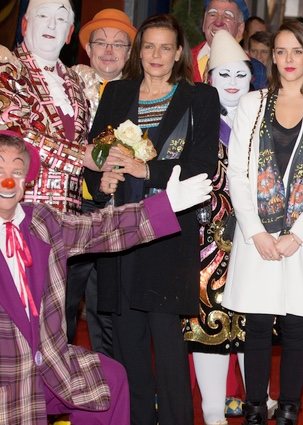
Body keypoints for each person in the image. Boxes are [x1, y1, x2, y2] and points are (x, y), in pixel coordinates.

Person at [0, 130, 212, 424]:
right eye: (0, 170)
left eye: (17, 171)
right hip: (8, 375)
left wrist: (166, 205)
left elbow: (101, 228)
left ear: (26, 182)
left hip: (50, 361)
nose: (8, 180)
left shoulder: (40, 221)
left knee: (110, 380)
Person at [83, 13, 220, 425]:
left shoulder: (200, 98)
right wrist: (101, 178)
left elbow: (202, 167)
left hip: (167, 234)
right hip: (120, 232)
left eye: (165, 46)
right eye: (148, 46)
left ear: (179, 52)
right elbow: (95, 154)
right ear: (138, 52)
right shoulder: (117, 92)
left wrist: (149, 171)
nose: (156, 55)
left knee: (169, 349)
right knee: (128, 349)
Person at [222, 20, 303, 425]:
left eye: (296, 51)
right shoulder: (252, 104)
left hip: (302, 237)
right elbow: (236, 173)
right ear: (271, 58)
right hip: (256, 233)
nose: (288, 60)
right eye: (280, 52)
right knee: (256, 324)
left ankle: (289, 408)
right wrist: (256, 230)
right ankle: (256, 408)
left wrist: (298, 234)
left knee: (296, 327)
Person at [179, 29, 252, 425]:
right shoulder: (192, 119)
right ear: (207, 79)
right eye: (223, 75)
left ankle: (259, 395)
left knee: (253, 319)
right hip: (207, 240)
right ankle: (212, 408)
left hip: (256, 239)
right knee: (210, 322)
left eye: (241, 75)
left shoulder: (263, 120)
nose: (233, 84)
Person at [65, 7, 137, 358]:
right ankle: (59, 387)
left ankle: (109, 390)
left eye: (118, 44)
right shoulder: (67, 87)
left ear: (128, 52)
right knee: (63, 301)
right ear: (88, 50)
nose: (109, 51)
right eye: (101, 43)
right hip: (72, 209)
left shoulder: (141, 94)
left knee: (106, 305)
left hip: (116, 210)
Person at [0, 0, 99, 213]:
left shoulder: (79, 80)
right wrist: (80, 155)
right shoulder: (6, 68)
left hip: (70, 220)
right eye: (43, 15)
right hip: (18, 209)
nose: (52, 25)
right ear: (25, 24)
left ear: (69, 33)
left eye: (61, 19)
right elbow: (13, 134)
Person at [192, 0, 267, 89]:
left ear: (240, 29)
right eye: (212, 14)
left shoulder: (256, 71)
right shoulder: (181, 61)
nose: (218, 22)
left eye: (227, 16)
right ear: (204, 22)